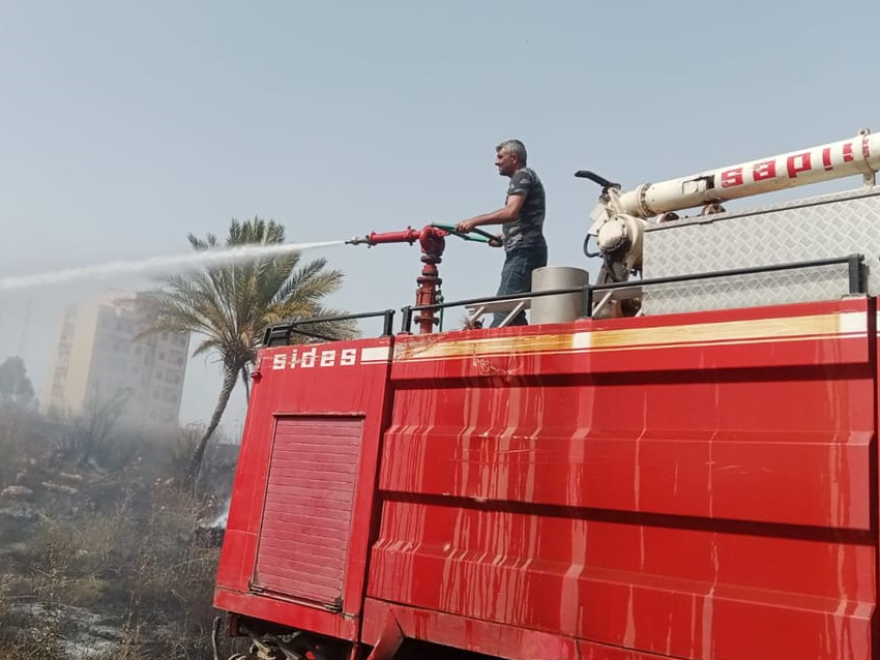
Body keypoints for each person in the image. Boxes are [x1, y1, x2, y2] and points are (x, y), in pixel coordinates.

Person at [455, 139, 547, 326]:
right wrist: (504, 237)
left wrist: (474, 221)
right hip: (527, 250)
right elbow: (527, 219)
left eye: (500, 157)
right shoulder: (527, 176)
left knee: (503, 312)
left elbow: (511, 212)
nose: (496, 162)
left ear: (514, 158)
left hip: (524, 252)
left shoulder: (521, 176)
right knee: (513, 311)